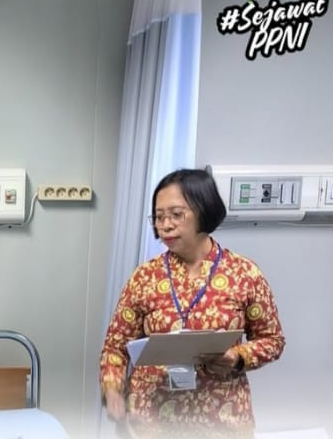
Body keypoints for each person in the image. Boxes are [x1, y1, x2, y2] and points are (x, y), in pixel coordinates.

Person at [100, 168, 286, 438]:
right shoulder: (144, 277)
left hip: (221, 420)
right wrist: (112, 389)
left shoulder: (244, 274)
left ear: (204, 210)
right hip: (150, 421)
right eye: (159, 217)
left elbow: (272, 340)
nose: (165, 225)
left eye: (176, 214)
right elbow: (115, 347)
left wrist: (238, 357)